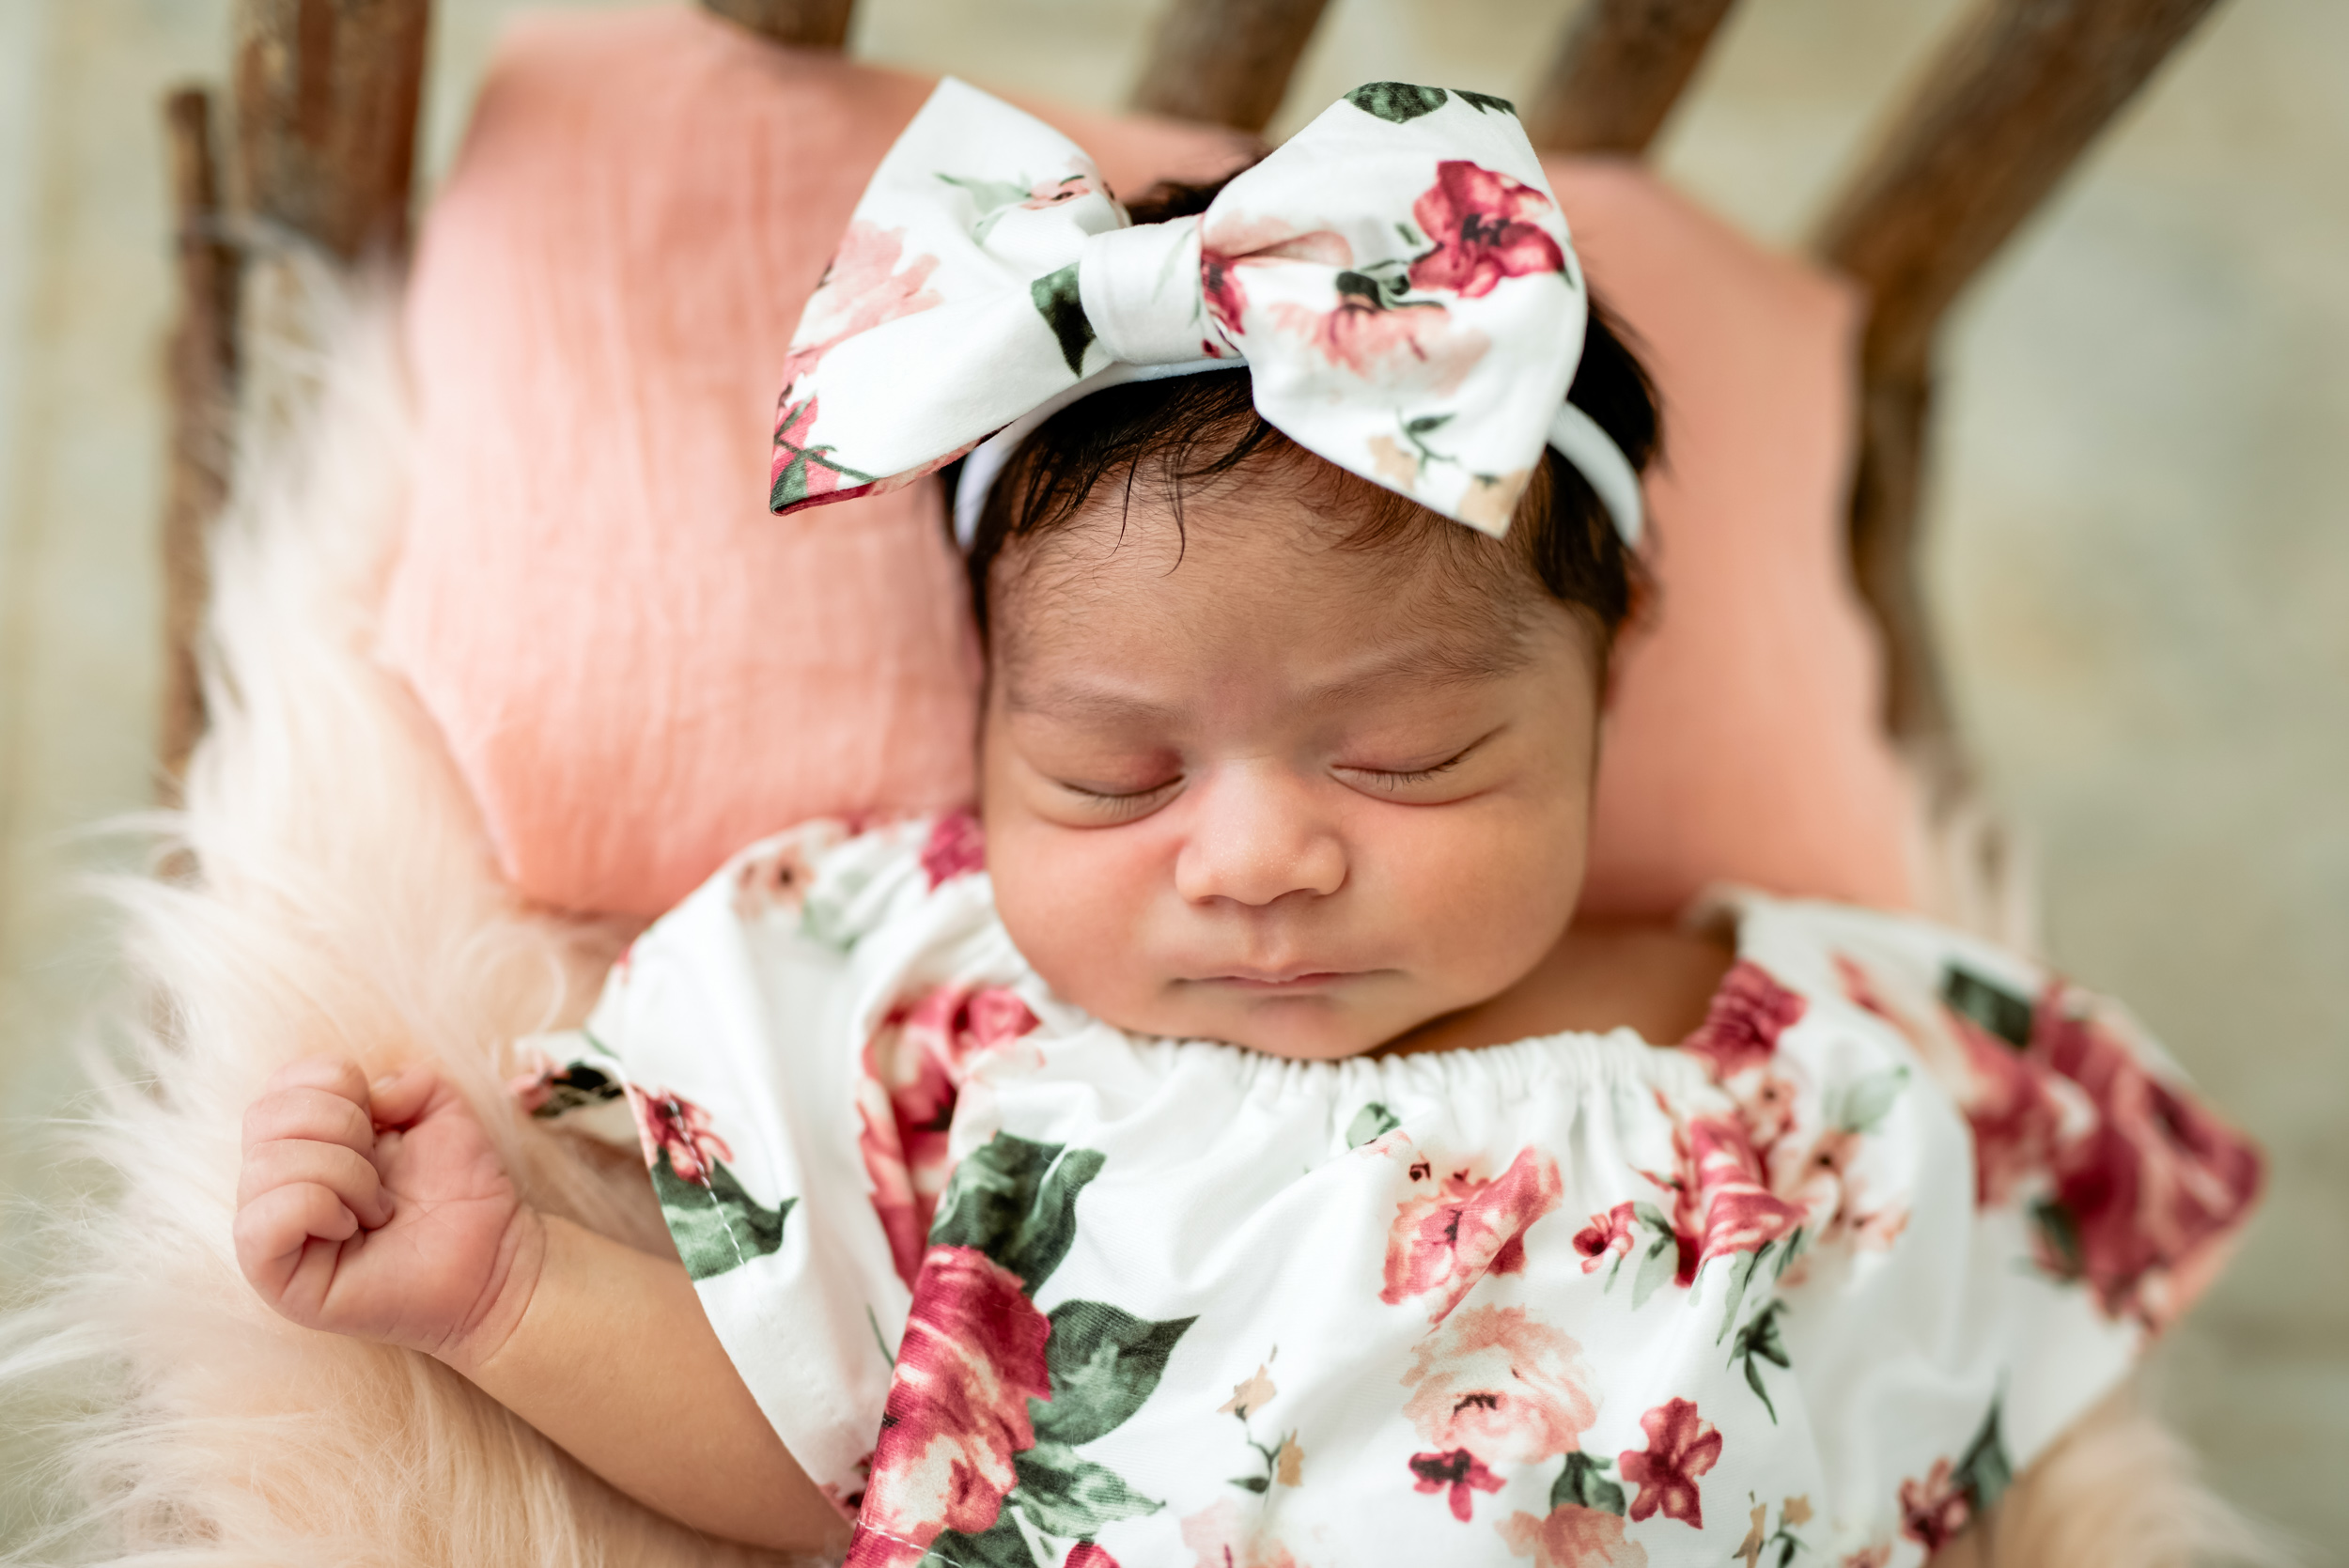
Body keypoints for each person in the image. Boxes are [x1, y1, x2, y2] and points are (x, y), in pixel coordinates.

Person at [230, 80, 2260, 1566]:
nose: (1256, 861)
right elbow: (846, 1465)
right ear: (988, 724)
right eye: (1112, 779)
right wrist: (505, 1294)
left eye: (1407, 757)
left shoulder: (1837, 1064)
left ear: (1607, 664)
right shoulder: (953, 1015)